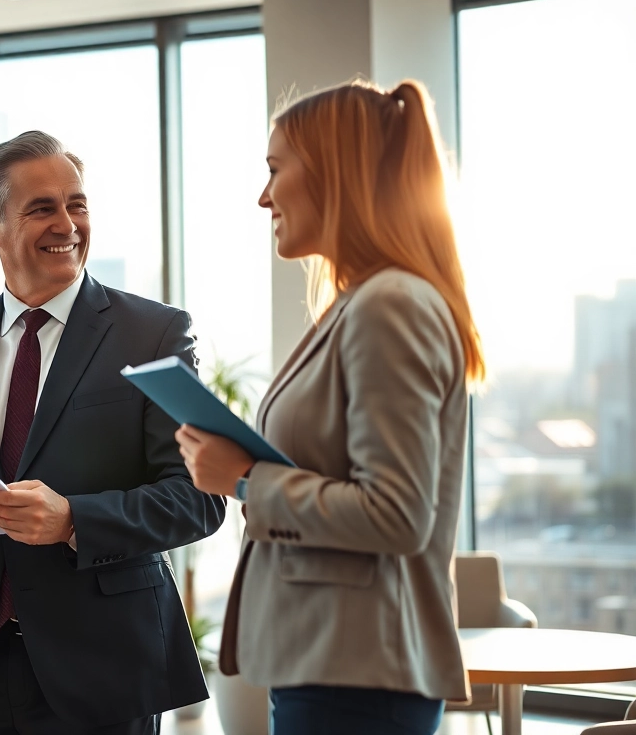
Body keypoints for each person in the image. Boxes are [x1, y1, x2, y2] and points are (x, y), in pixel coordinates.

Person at [0, 130, 226, 735]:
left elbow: (201, 497)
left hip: (102, 672)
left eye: (76, 204)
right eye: (42, 209)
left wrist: (73, 521)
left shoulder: (154, 335)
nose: (67, 224)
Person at [176, 79, 485, 735]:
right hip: (332, 666)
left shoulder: (389, 305)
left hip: (359, 678)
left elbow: (396, 513)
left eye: (275, 170)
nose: (263, 197)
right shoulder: (361, 303)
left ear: (333, 174)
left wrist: (245, 478)